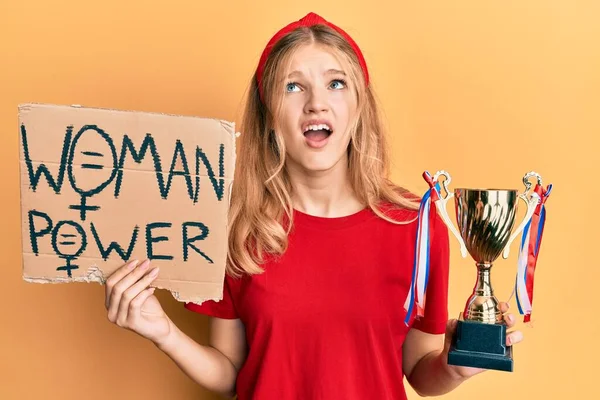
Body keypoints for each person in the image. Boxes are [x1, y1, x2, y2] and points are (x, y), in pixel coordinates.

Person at [103, 12, 522, 399]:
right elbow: (232, 371)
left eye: (336, 83)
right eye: (293, 86)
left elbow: (418, 370)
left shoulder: (417, 223)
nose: (316, 103)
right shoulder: (237, 225)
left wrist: (457, 366)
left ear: (359, 106)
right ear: (269, 113)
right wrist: (163, 333)